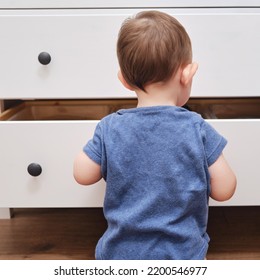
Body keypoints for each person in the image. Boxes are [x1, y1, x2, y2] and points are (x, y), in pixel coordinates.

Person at [73, 10, 236, 260]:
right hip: (184, 256)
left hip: (119, 256)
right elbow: (225, 190)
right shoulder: (197, 128)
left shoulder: (110, 128)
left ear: (124, 80)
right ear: (187, 74)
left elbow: (82, 175)